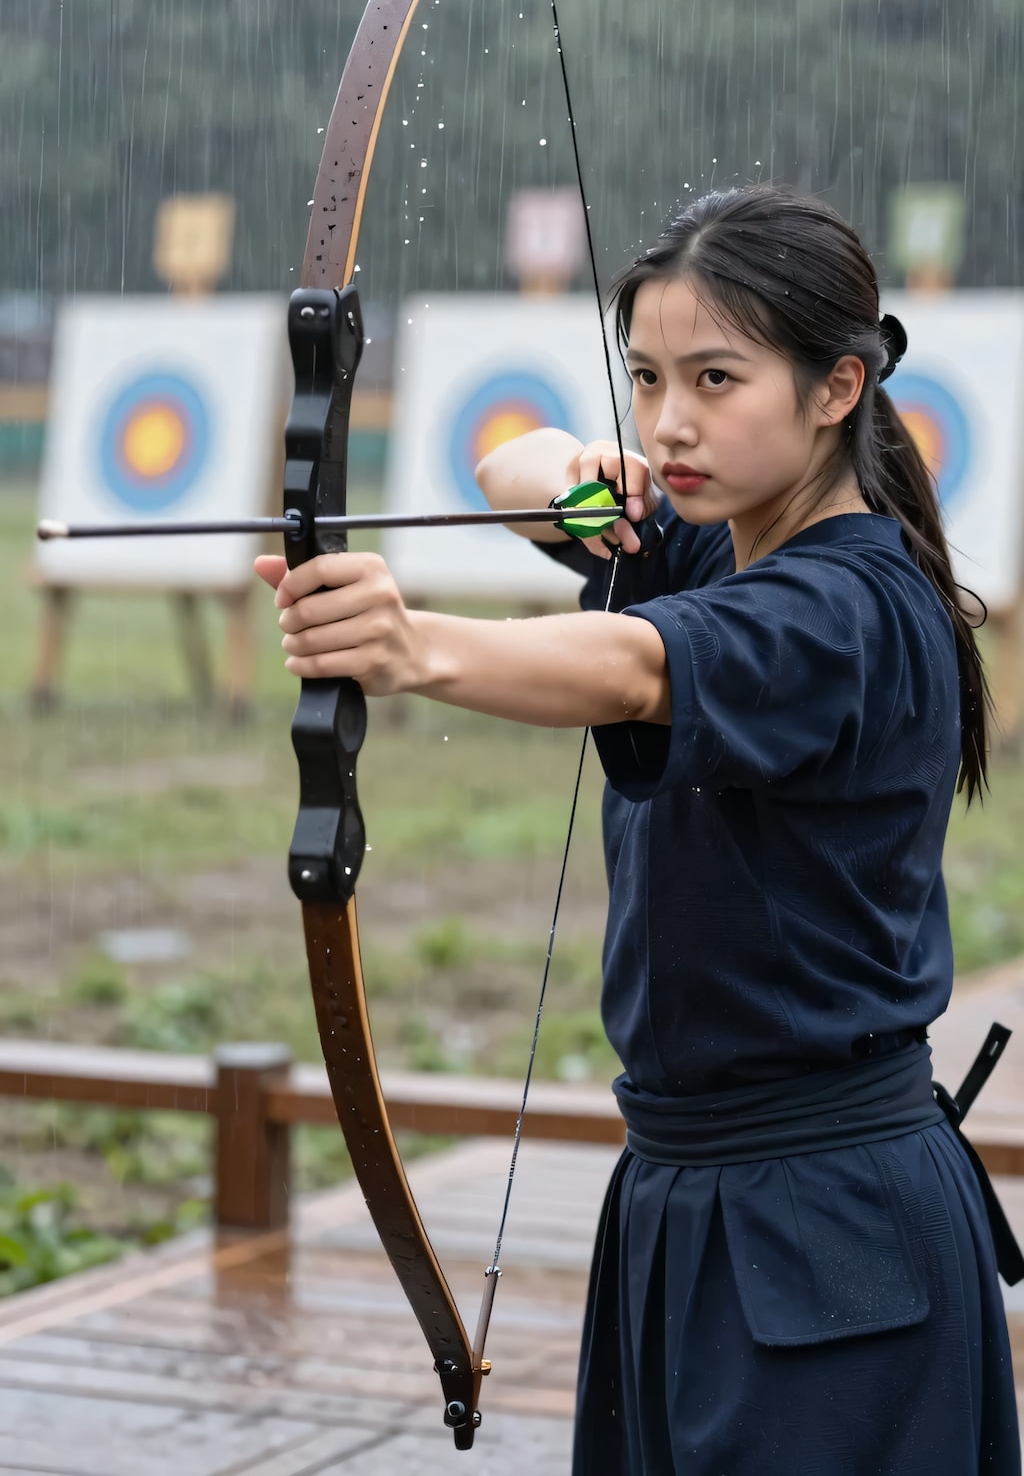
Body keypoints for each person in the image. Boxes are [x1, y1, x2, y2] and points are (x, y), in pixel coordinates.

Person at [255, 183, 1021, 1474]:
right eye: (648, 377)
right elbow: (510, 465)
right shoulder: (720, 542)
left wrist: (413, 645)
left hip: (825, 1221)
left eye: (718, 379)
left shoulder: (850, 604)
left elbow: (635, 668)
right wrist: (576, 475)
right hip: (690, 1194)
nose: (672, 421)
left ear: (837, 389)